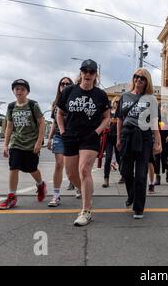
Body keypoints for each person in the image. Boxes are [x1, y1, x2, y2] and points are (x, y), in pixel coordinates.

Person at [57, 59, 111, 226]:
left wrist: (96, 132)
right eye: (85, 71)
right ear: (80, 73)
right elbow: (59, 113)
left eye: (91, 72)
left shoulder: (100, 95)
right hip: (71, 136)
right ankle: (86, 190)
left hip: (90, 137)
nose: (88, 74)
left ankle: (86, 210)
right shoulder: (69, 91)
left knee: (84, 169)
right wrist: (63, 131)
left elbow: (107, 118)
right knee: (71, 174)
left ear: (96, 75)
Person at [117, 68, 162, 219]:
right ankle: (132, 195)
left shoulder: (151, 99)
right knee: (126, 171)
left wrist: (158, 142)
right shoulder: (124, 96)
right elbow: (119, 119)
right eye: (136, 77)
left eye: (142, 78)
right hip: (127, 135)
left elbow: (155, 121)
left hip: (144, 136)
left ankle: (138, 207)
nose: (138, 80)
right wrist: (118, 138)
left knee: (141, 173)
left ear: (147, 81)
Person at [0, 79, 46, 210]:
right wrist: (5, 145)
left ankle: (41, 184)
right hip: (16, 142)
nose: (19, 91)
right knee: (13, 168)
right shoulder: (11, 107)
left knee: (32, 169)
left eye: (22, 89)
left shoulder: (33, 105)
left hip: (31, 143)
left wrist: (38, 142)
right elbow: (9, 127)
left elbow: (42, 123)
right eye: (17, 89)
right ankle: (11, 197)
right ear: (13, 91)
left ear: (27, 92)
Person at [46, 77, 74, 207]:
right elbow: (54, 122)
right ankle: (56, 195)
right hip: (59, 136)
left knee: (74, 166)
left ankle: (79, 187)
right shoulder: (55, 102)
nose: (64, 85)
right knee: (59, 164)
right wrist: (49, 138)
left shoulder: (75, 100)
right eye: (62, 84)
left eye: (67, 84)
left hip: (74, 136)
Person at [102, 97, 121, 188]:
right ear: (113, 103)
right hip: (109, 138)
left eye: (119, 102)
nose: (117, 103)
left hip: (118, 138)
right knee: (108, 158)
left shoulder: (121, 113)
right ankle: (106, 179)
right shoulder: (109, 113)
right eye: (116, 102)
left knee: (119, 159)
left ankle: (123, 175)